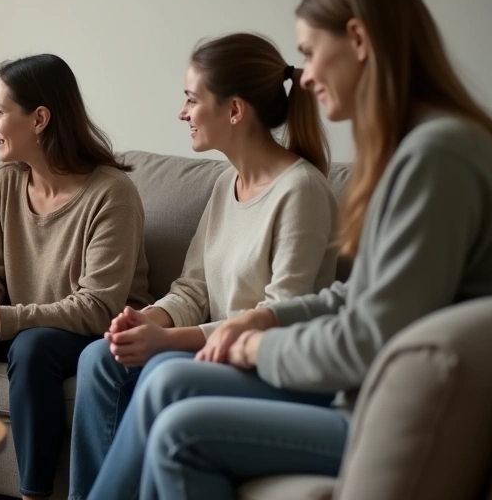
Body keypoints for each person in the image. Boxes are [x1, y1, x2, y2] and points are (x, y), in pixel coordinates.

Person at [88, 0, 492, 500]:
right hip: (373, 392)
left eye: (310, 52)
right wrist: (266, 318)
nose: (304, 77)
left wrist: (256, 347)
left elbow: (367, 338)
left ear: (357, 39)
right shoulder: (425, 148)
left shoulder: (436, 157)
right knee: (163, 386)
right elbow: (361, 296)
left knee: (174, 418)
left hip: (391, 410)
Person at [68, 33, 339, 499]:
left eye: (192, 100)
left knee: (160, 371)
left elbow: (278, 317)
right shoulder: (224, 186)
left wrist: (168, 340)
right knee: (98, 356)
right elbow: (193, 287)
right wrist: (147, 320)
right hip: (216, 351)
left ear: (234, 110)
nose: (182, 113)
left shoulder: (301, 191)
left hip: (269, 365)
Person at [0, 54, 152, 500]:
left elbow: (97, 307)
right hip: (26, 319)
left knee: (34, 345)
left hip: (96, 333)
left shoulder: (111, 194)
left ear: (39, 118)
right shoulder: (4, 182)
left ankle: (34, 495)